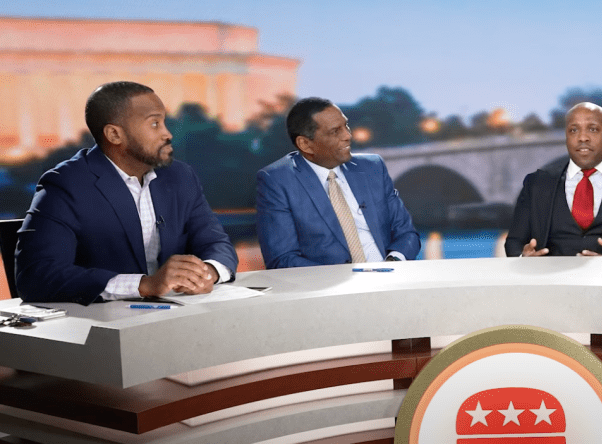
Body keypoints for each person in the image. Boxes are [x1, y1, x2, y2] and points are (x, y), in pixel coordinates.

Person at [15, 81, 237, 304]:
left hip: (177, 318)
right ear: (114, 134)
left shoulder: (180, 176)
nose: (167, 134)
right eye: (154, 124)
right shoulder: (66, 184)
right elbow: (37, 276)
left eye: (164, 122)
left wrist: (208, 272)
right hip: (103, 327)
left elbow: (218, 245)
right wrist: (145, 285)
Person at [256, 97, 420, 268]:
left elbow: (407, 234)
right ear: (305, 144)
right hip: (331, 286)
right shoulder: (276, 180)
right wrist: (348, 278)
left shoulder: (373, 168)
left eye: (346, 126)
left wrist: (393, 262)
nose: (348, 136)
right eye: (335, 131)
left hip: (390, 277)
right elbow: (282, 259)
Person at [504, 102, 602, 257]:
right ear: (566, 136)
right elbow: (514, 242)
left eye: (593, 129)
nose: (582, 137)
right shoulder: (536, 183)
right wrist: (523, 258)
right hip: (552, 282)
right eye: (573, 130)